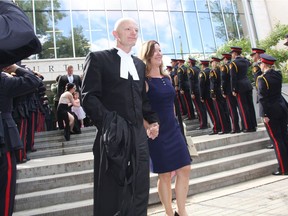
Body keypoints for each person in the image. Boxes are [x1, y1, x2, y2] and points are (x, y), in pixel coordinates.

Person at [81, 17, 159, 216]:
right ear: (115, 34)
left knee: (140, 185)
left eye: (136, 29)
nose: (134, 32)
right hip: (113, 135)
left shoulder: (139, 65)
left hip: (138, 135)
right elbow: (88, 97)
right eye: (128, 29)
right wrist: (110, 123)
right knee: (113, 190)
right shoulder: (98, 58)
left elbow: (142, 99)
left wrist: (153, 121)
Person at [139, 40, 191, 216]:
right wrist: (148, 127)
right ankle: (169, 212)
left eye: (160, 50)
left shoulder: (167, 77)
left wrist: (179, 123)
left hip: (173, 129)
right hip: (157, 133)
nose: (158, 54)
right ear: (147, 55)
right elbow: (138, 109)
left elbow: (172, 105)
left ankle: (181, 211)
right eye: (154, 51)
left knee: (185, 168)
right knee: (165, 174)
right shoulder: (144, 81)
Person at [0, 64, 41, 216]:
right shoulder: (3, 81)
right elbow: (34, 81)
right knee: (5, 190)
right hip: (3, 138)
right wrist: (16, 68)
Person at [256, 54, 288, 175]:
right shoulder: (278, 74)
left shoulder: (262, 79)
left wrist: (264, 114)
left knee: (276, 140)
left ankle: (283, 168)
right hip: (282, 108)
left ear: (264, 64)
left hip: (271, 112)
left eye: (260, 64)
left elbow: (262, 98)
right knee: (284, 137)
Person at [229, 46, 257, 132]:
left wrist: (233, 89)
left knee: (243, 107)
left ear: (235, 53)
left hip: (240, 87)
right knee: (250, 106)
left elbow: (233, 77)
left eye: (232, 53)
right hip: (247, 85)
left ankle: (247, 126)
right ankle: (253, 125)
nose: (232, 55)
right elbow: (249, 63)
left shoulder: (233, 63)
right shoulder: (245, 61)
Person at [210, 57, 231, 134]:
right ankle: (228, 127)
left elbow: (213, 83)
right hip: (222, 91)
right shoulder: (221, 69)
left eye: (212, 62)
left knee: (220, 111)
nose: (212, 64)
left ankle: (224, 128)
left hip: (217, 92)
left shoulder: (214, 71)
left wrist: (212, 93)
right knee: (225, 110)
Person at [199, 60, 220, 135]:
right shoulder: (210, 71)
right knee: (215, 111)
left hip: (206, 95)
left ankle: (216, 128)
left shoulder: (203, 73)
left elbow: (201, 86)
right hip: (211, 93)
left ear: (203, 65)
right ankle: (218, 126)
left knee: (211, 112)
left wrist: (201, 96)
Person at [221, 53, 241, 133]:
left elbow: (223, 80)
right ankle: (240, 126)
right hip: (235, 89)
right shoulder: (233, 64)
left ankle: (235, 128)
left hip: (228, 91)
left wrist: (223, 91)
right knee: (239, 108)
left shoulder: (225, 67)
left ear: (225, 59)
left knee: (232, 109)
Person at [188, 57, 207, 129]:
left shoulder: (191, 70)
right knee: (202, 107)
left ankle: (202, 124)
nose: (188, 64)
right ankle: (204, 122)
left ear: (190, 63)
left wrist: (192, 92)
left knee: (199, 108)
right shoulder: (198, 69)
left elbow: (191, 82)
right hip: (199, 90)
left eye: (189, 63)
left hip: (195, 91)